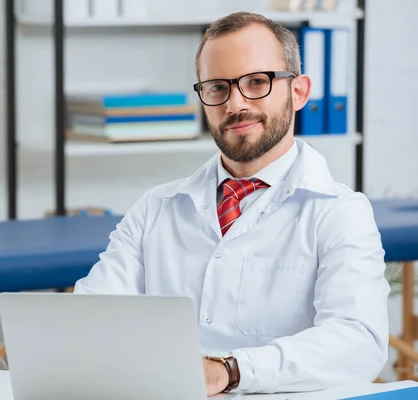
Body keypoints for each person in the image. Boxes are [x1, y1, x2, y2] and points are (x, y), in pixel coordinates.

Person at [73, 11, 389, 396]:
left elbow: (359, 342)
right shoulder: (156, 208)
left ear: (299, 91)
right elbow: (90, 319)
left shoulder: (340, 213)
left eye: (257, 81)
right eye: (217, 87)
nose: (235, 103)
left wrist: (228, 370)